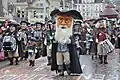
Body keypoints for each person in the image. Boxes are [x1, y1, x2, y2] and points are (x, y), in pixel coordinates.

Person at [50, 9, 83, 76]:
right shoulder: (56, 33)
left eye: (66, 20)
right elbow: (54, 41)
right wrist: (53, 41)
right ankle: (61, 71)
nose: (63, 23)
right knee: (59, 61)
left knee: (67, 60)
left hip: (66, 50)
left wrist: (70, 41)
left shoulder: (70, 33)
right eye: (60, 20)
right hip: (58, 50)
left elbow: (73, 41)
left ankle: (68, 69)